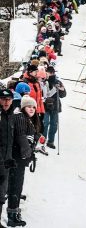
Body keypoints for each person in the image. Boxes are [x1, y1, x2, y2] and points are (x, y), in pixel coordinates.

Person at [7, 96, 42, 227]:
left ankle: (13, 212)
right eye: (29, 106)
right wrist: (27, 153)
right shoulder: (21, 117)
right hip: (17, 158)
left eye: (33, 107)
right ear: (23, 107)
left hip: (18, 157)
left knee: (15, 185)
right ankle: (12, 215)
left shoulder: (26, 118)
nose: (32, 109)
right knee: (15, 185)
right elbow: (21, 138)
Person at [0, 89, 15, 228]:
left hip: (6, 161)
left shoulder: (11, 115)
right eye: (3, 99)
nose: (6, 102)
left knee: (1, 194)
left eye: (9, 99)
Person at [43, 66, 66, 149]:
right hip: (45, 105)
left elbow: (63, 95)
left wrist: (61, 89)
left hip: (55, 106)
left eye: (49, 73)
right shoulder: (44, 81)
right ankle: (43, 141)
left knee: (53, 125)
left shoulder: (58, 82)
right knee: (45, 123)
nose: (48, 74)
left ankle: (50, 141)